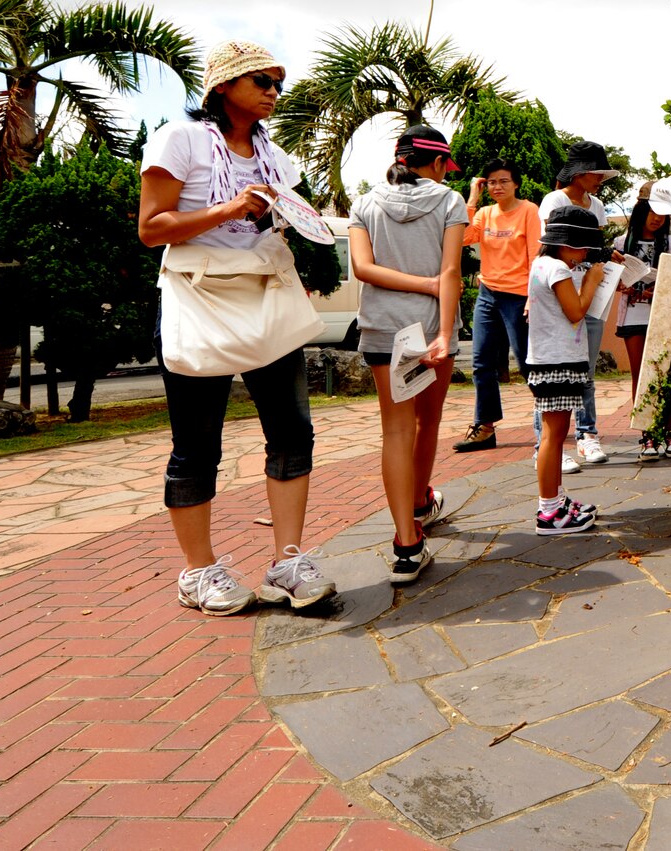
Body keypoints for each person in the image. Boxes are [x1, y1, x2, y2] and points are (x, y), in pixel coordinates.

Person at [138, 39, 335, 617]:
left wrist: (293, 216)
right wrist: (228, 208)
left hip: (263, 294)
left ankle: (288, 562)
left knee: (294, 431)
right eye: (262, 81)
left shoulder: (275, 155)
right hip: (199, 299)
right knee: (197, 447)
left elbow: (278, 219)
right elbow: (151, 229)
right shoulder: (182, 140)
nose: (274, 93)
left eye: (278, 84)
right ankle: (198, 572)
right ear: (223, 86)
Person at [349, 125, 466, 586]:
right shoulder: (449, 200)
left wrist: (419, 284)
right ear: (437, 164)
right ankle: (420, 501)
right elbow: (451, 270)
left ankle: (407, 542)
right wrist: (441, 328)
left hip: (382, 327)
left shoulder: (365, 202)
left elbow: (362, 268)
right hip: (431, 327)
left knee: (395, 431)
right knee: (427, 421)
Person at [526, 204, 609, 535]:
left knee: (555, 435)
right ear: (565, 242)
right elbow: (576, 311)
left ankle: (558, 501)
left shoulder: (542, 264)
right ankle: (549, 511)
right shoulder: (557, 269)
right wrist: (592, 280)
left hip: (552, 359)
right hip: (555, 361)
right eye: (582, 246)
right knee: (553, 436)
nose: (585, 253)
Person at [454, 159, 542, 455]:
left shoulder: (529, 211)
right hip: (488, 294)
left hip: (518, 296)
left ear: (516, 183)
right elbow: (464, 238)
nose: (497, 187)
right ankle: (485, 427)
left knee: (527, 362)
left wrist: (532, 296)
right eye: (491, 182)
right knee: (481, 364)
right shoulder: (484, 213)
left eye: (503, 181)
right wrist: (472, 197)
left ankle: (549, 420)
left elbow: (534, 256)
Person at [539, 141, 619, 466]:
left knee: (585, 371)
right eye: (597, 172)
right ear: (581, 173)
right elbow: (550, 244)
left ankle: (587, 435)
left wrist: (606, 256)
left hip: (592, 295)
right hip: (561, 294)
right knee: (555, 372)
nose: (601, 179)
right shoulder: (554, 201)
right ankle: (548, 448)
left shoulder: (597, 205)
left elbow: (592, 247)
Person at [616, 179, 671, 458]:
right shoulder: (621, 243)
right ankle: (648, 436)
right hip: (632, 317)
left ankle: (670, 433)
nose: (657, 219)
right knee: (641, 376)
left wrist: (653, 290)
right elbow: (609, 280)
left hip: (664, 317)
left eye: (663, 214)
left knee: (666, 374)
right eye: (652, 212)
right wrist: (621, 285)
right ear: (640, 211)